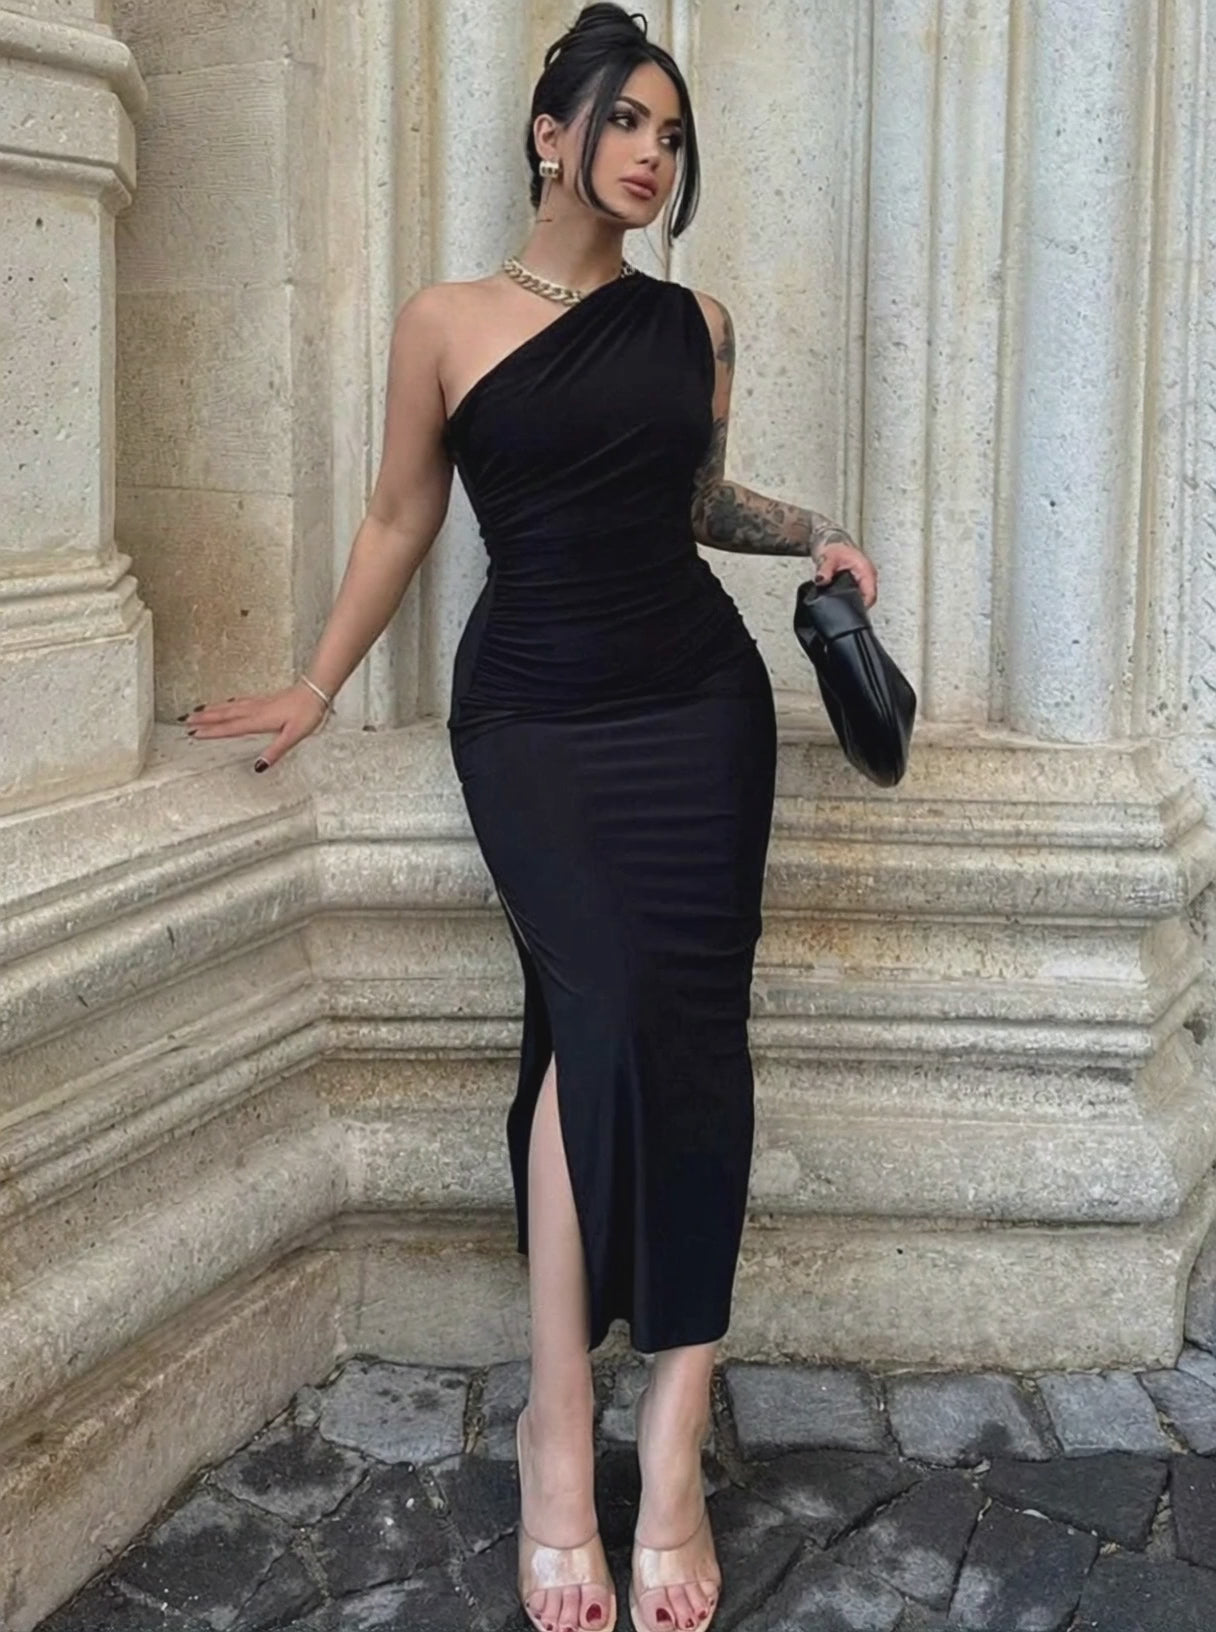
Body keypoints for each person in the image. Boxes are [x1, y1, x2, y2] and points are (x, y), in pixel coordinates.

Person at [184, 6, 877, 1629]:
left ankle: (675, 1442)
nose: (652, 154)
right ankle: (561, 1430)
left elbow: (696, 501)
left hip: (697, 708)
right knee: (600, 1013)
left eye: (673, 136)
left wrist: (818, 532)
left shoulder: (696, 321)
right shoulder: (445, 319)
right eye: (627, 121)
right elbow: (399, 513)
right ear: (551, 132)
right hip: (537, 720)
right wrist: (315, 683)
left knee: (693, 1038)